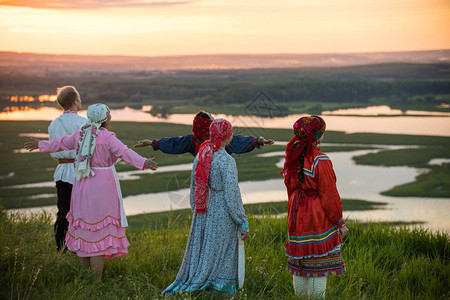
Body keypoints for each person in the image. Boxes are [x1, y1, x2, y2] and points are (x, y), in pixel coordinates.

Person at [24, 104, 158, 278]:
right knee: (99, 235)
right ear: (106, 119)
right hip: (102, 186)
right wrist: (144, 162)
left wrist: (40, 144)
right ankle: (95, 282)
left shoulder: (81, 133)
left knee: (85, 230)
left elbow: (61, 143)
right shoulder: (108, 138)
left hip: (82, 185)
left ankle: (87, 277)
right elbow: (125, 152)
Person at [163, 118, 249, 296]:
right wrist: (242, 221)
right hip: (222, 210)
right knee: (222, 250)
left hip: (204, 208)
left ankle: (203, 283)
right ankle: (219, 288)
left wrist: (197, 209)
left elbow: (194, 187)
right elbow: (232, 194)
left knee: (206, 248)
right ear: (227, 136)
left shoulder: (201, 154)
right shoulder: (227, 161)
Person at [280, 116, 348, 299]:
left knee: (300, 266)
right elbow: (329, 195)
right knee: (319, 267)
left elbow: (290, 188)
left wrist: (294, 211)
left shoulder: (292, 157)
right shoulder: (320, 160)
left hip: (295, 213)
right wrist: (339, 222)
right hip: (316, 216)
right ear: (318, 135)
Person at [134, 110, 274, 155]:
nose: (214, 120)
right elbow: (238, 141)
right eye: (212, 120)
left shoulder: (192, 141)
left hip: (200, 184)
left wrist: (154, 143)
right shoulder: (221, 142)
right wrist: (257, 141)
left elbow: (174, 143)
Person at [48, 86, 86, 251]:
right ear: (75, 101)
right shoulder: (83, 122)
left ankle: (61, 247)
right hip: (80, 171)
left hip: (62, 171)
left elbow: (52, 149)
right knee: (82, 211)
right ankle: (81, 246)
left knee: (63, 210)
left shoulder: (54, 124)